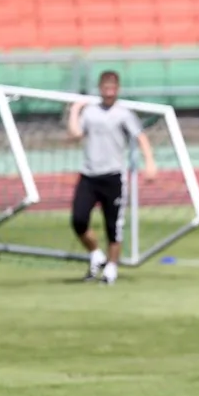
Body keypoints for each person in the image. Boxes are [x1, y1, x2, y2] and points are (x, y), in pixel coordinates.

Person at [67, 71, 157, 285]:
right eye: (105, 88)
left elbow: (141, 137)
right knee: (78, 220)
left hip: (113, 176)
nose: (109, 92)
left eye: (112, 88)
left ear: (117, 89)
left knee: (112, 226)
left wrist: (150, 162)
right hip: (89, 175)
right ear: (100, 88)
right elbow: (76, 134)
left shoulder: (124, 114)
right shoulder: (90, 112)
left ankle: (112, 268)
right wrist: (74, 110)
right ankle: (96, 254)